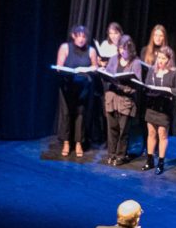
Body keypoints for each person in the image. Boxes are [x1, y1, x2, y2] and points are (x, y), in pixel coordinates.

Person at [54, 25, 99, 158]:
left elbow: (95, 67)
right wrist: (65, 71)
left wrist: (87, 69)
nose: (81, 39)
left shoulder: (91, 50)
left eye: (84, 37)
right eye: (78, 36)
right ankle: (66, 142)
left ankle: (79, 142)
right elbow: (59, 67)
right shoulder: (65, 47)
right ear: (73, 36)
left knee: (81, 115)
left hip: (83, 87)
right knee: (66, 114)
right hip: (68, 86)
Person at [140, 46, 176, 175]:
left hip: (164, 108)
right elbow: (146, 85)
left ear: (169, 60)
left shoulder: (174, 73)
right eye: (159, 57)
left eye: (163, 58)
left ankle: (161, 163)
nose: (160, 61)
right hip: (152, 106)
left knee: (162, 134)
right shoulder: (152, 70)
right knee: (151, 133)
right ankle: (150, 160)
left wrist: (169, 90)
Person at [101, 34, 140, 165]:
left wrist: (123, 87)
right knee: (112, 128)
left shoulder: (136, 63)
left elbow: (137, 85)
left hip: (125, 100)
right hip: (112, 98)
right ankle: (111, 154)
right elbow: (107, 75)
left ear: (131, 49)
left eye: (126, 49)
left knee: (123, 130)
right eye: (121, 49)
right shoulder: (113, 59)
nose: (123, 51)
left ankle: (120, 155)